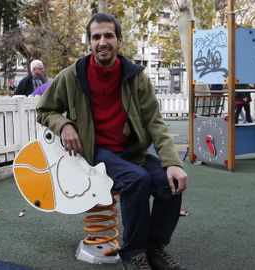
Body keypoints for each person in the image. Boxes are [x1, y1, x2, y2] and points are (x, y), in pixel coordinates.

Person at [36, 13, 188, 270]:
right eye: (96, 37)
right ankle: (133, 252)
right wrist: (64, 125)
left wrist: (172, 162)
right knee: (137, 180)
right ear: (89, 43)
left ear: (119, 40)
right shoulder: (72, 76)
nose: (102, 42)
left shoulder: (136, 77)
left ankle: (155, 248)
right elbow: (44, 110)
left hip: (131, 152)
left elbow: (155, 121)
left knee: (168, 182)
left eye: (108, 35)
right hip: (96, 153)